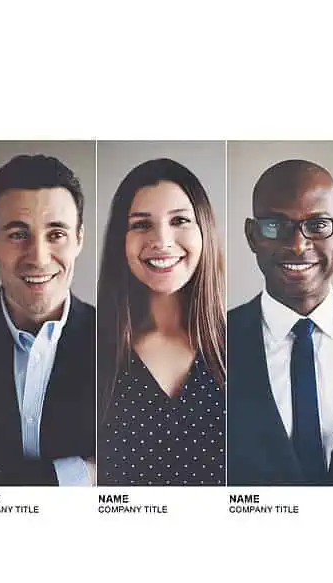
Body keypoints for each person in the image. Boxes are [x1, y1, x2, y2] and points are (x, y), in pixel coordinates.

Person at [0, 154, 96, 486]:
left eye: (56, 234)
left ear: (79, 239)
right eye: (17, 234)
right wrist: (84, 474)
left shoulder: (125, 345)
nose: (38, 257)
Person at [97, 158, 225, 485]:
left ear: (204, 231)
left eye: (180, 220)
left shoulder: (248, 345)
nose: (162, 241)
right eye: (141, 224)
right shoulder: (90, 347)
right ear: (120, 241)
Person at [228, 159, 333, 485]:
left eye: (317, 225)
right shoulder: (212, 341)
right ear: (252, 236)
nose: (298, 245)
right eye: (275, 225)